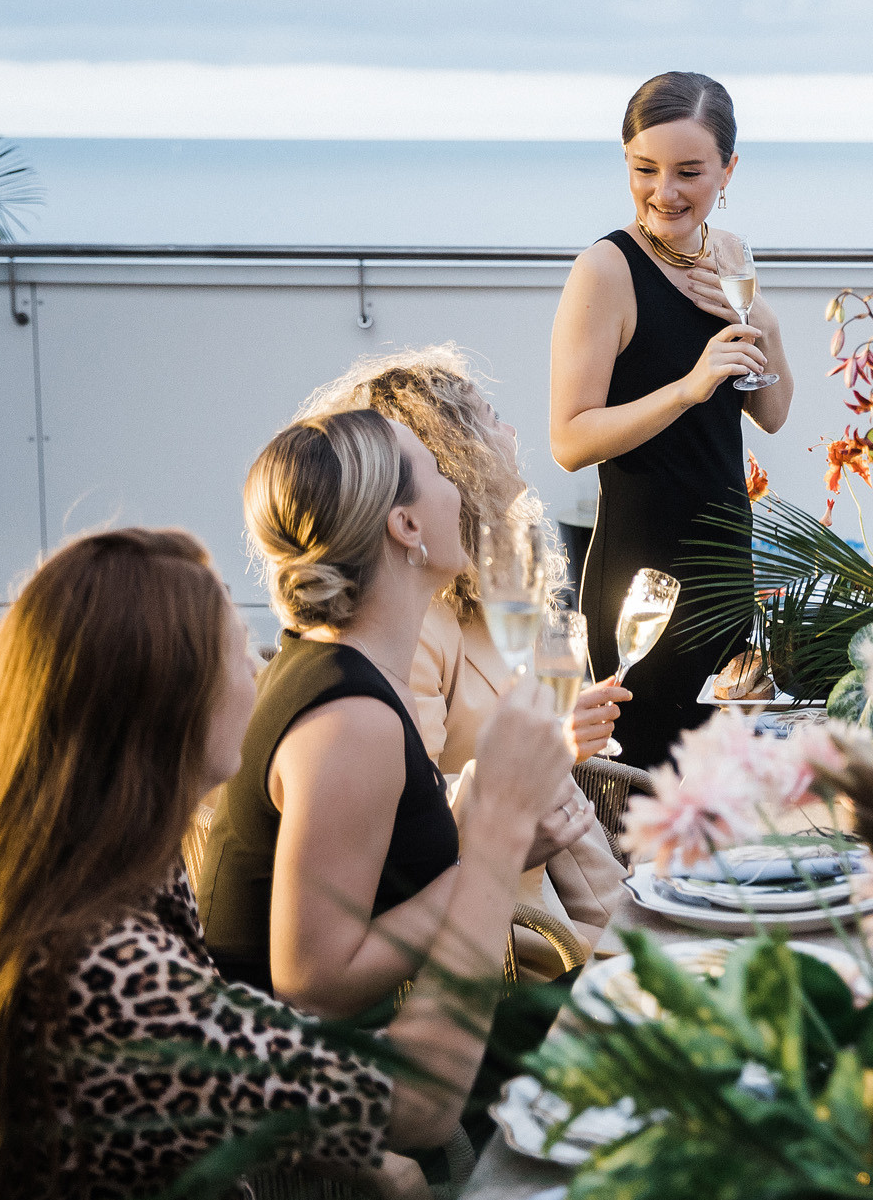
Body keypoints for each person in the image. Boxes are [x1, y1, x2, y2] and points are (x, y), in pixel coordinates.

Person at [0, 528, 571, 1200]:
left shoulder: (66, 870)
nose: (258, 669)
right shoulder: (105, 968)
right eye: (236, 651)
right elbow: (415, 1102)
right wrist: (495, 839)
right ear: (172, 708)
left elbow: (220, 1077)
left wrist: (378, 1166)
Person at [198, 408, 596, 1014]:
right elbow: (312, 983)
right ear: (406, 525)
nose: (458, 487)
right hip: (315, 1079)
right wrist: (499, 850)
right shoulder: (351, 718)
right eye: (438, 470)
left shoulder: (347, 668)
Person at [297, 346, 635, 978]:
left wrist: (560, 744)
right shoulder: (406, 618)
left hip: (544, 891)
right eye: (491, 417)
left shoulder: (491, 588)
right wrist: (543, 755)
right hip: (497, 926)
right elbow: (408, 811)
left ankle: (643, 925)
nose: (511, 432)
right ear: (454, 456)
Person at [550, 71, 795, 768]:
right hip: (641, 589)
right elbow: (569, 439)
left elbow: (772, 411)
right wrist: (689, 388)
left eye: (690, 171)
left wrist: (762, 319)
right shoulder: (605, 271)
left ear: (728, 170)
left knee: (717, 802)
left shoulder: (731, 257)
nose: (665, 192)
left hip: (724, 575)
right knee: (636, 795)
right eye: (645, 169)